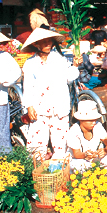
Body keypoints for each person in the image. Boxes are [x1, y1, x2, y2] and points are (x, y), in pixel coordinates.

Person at [21, 28, 79, 159]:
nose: (48, 44)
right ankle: (36, 171)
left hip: (59, 107)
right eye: (44, 42)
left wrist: (75, 65)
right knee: (37, 143)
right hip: (39, 108)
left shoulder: (60, 60)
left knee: (60, 143)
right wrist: (29, 106)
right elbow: (28, 86)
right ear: (36, 44)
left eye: (49, 42)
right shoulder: (30, 63)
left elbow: (68, 78)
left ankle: (60, 172)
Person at [67, 100, 107, 172]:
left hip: (95, 159)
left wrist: (105, 151)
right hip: (80, 159)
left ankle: (100, 173)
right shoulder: (74, 130)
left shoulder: (97, 126)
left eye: (95, 120)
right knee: (77, 166)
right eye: (90, 120)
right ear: (81, 120)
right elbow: (77, 154)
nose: (94, 122)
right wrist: (86, 155)